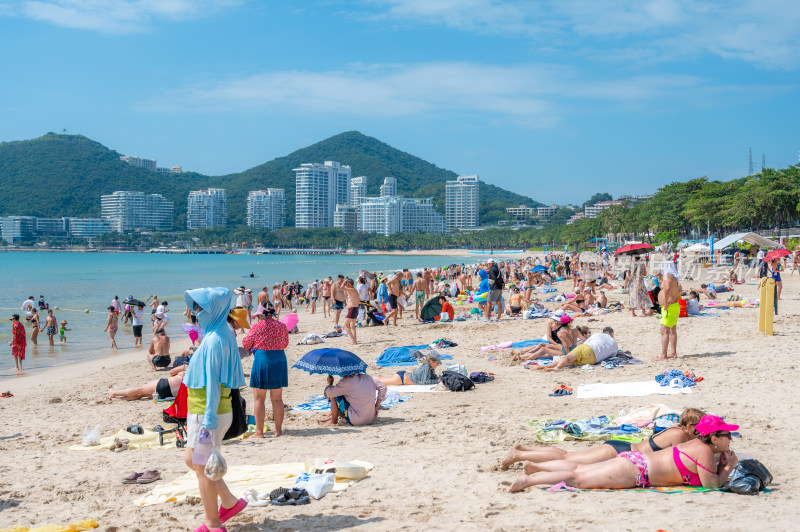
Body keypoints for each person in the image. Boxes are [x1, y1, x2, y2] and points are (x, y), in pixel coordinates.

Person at [508, 415, 739, 492]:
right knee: (577, 476)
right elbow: (711, 486)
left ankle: (534, 469)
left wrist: (722, 466)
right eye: (727, 435)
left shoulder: (695, 445)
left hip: (633, 461)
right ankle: (528, 480)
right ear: (714, 437)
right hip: (636, 470)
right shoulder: (705, 452)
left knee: (578, 468)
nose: (730, 438)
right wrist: (727, 467)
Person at [182, 286, 247, 530]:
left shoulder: (213, 340)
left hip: (207, 412)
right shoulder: (221, 333)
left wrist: (208, 418)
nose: (196, 312)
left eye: (201, 308)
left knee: (202, 468)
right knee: (194, 459)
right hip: (210, 410)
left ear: (214, 311)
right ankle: (229, 502)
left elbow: (212, 381)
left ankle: (212, 524)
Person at [501, 408, 706, 470]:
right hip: (619, 451)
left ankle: (523, 449)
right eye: (699, 430)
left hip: (622, 449)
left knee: (569, 455)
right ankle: (518, 454)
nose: (701, 434)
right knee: (568, 458)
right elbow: (683, 461)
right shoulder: (680, 435)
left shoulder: (676, 428)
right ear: (689, 427)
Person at [241, 303, 289, 438]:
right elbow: (285, 343)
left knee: (259, 399)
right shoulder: (282, 326)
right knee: (278, 399)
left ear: (261, 314)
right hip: (279, 360)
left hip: (262, 360)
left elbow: (246, 344)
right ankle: (278, 430)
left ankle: (259, 432)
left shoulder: (257, 326)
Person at [320, 372, 388, 426]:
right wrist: (376, 406)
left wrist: (330, 383)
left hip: (356, 420)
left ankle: (333, 421)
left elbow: (329, 394)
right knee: (342, 392)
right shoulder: (369, 378)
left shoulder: (346, 381)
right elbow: (383, 387)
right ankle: (330, 416)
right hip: (371, 418)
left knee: (335, 395)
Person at [534, 327, 618, 370]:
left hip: (588, 348)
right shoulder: (615, 345)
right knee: (569, 363)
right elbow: (612, 356)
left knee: (567, 358)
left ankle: (555, 367)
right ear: (612, 334)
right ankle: (542, 367)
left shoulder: (597, 335)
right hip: (594, 359)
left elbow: (586, 343)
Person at [108, 364, 187, 400]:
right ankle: (117, 399)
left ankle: (114, 393)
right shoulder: (199, 377)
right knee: (141, 395)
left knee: (139, 389)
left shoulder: (187, 367)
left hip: (165, 385)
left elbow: (171, 372)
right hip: (169, 395)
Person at [658, 263, 680, 360]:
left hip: (669, 307)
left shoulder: (668, 277)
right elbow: (680, 288)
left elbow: (666, 288)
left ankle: (663, 355)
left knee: (664, 331)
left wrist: (666, 302)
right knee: (672, 330)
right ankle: (673, 353)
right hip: (674, 305)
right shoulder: (674, 277)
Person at [374, 353, 442, 386]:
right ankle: (365, 381)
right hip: (401, 379)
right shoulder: (426, 367)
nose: (438, 365)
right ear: (431, 362)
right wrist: (437, 380)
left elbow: (433, 377)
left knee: (380, 379)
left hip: (403, 377)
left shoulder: (430, 368)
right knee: (379, 382)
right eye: (437, 363)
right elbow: (425, 381)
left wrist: (439, 379)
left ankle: (366, 379)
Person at [342, 279, 360, 345]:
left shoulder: (352, 290)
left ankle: (353, 340)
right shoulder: (354, 290)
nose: (346, 284)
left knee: (345, 325)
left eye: (347, 283)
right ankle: (354, 340)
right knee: (352, 326)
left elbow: (342, 287)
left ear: (349, 284)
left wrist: (344, 281)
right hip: (355, 308)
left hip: (352, 309)